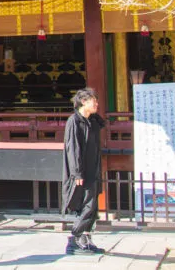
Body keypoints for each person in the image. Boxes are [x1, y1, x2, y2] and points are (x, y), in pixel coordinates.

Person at [63, 87, 107, 256]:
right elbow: (72, 149)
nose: (97, 104)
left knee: (93, 206)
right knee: (86, 205)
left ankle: (86, 238)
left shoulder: (92, 121)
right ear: (83, 102)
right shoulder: (74, 121)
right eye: (93, 100)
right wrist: (77, 173)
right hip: (82, 171)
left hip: (93, 168)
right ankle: (74, 239)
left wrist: (93, 116)